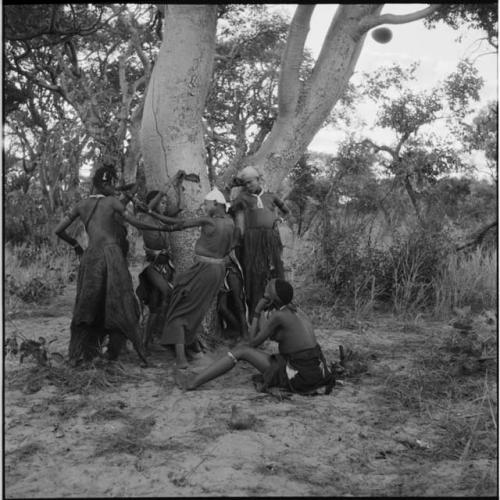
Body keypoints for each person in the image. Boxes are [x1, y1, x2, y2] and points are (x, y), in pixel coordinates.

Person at [54, 165, 175, 366]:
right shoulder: (112, 203)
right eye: (112, 183)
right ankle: (135, 354)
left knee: (88, 304)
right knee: (121, 302)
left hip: (91, 257)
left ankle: (82, 354)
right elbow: (138, 223)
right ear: (106, 184)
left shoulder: (81, 205)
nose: (115, 188)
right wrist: (167, 227)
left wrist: (76, 245)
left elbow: (59, 230)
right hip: (111, 256)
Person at [176, 278, 335, 394]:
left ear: (272, 299)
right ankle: (195, 380)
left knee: (240, 351)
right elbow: (276, 336)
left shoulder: (278, 316)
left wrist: (257, 311)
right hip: (318, 371)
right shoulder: (297, 311)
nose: (264, 292)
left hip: (300, 374)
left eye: (266, 292)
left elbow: (252, 342)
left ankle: (193, 382)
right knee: (257, 355)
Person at [155, 187, 235, 369]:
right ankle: (191, 350)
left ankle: (182, 359)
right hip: (217, 270)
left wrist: (153, 215)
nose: (204, 207)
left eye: (206, 204)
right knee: (192, 309)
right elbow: (229, 249)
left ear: (216, 204)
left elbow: (177, 224)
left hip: (205, 271)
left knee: (179, 310)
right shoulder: (231, 223)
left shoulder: (209, 221)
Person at [230, 166, 290, 317]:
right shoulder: (243, 198)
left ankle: (276, 311)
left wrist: (279, 220)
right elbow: (228, 210)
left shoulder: (271, 196)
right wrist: (234, 186)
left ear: (259, 180)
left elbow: (287, 211)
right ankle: (255, 312)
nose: (248, 186)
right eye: (245, 184)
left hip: (270, 239)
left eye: (250, 182)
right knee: (255, 273)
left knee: (273, 270)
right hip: (252, 241)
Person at [135, 179, 185, 352]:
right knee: (170, 293)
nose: (164, 205)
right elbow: (153, 204)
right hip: (151, 266)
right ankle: (169, 340)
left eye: (165, 203)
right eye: (162, 202)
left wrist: (179, 187)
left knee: (156, 306)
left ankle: (146, 343)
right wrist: (168, 184)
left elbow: (180, 207)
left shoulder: (162, 220)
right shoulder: (145, 217)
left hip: (166, 266)